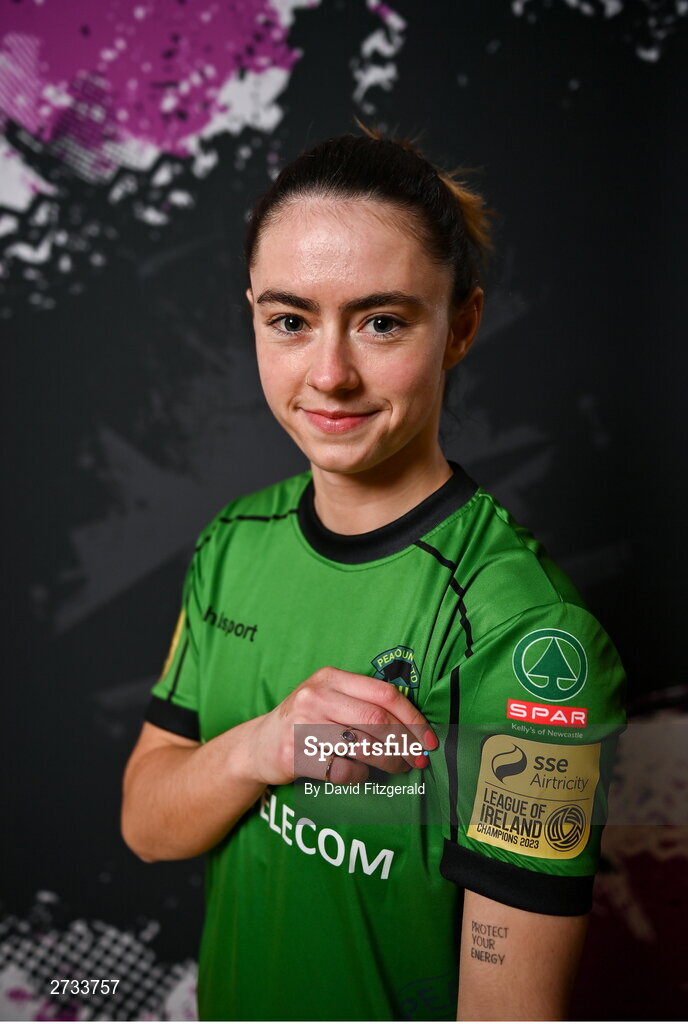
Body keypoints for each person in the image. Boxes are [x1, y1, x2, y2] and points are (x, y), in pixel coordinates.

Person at [121, 128, 626, 1021]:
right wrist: (265, 746)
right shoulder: (232, 544)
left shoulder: (532, 641)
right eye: (290, 321)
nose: (330, 375)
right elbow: (147, 823)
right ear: (253, 317)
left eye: (382, 321)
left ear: (460, 326)